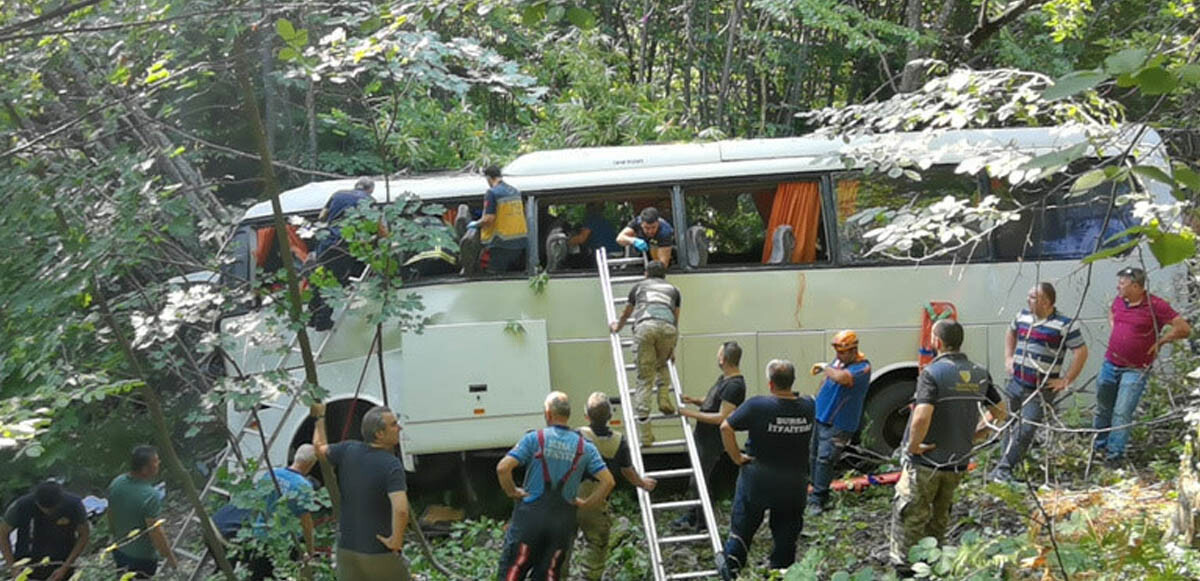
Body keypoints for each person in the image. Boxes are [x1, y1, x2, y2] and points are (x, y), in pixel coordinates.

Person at [889, 320, 1006, 572]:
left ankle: (906, 570)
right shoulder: (979, 373)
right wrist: (976, 434)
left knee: (911, 516)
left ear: (937, 342)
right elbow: (1000, 411)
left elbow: (921, 416)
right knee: (939, 518)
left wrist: (914, 445)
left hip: (926, 463)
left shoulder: (932, 373)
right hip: (957, 462)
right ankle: (934, 567)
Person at [496, 391, 615, 581]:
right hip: (561, 525)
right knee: (548, 574)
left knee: (513, 571)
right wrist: (587, 504)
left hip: (529, 521)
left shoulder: (534, 438)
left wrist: (513, 491)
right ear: (568, 415)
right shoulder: (585, 447)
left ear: (548, 414)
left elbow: (503, 468)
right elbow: (608, 481)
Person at [718, 360, 814, 579]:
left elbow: (725, 426)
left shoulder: (757, 406)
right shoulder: (809, 405)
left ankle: (731, 571)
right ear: (792, 381)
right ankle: (780, 572)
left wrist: (737, 457)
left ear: (771, 384)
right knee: (786, 535)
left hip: (759, 478)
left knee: (742, 529)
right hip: (794, 481)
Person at [990, 283, 1088, 482]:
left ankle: (1004, 469)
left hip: (1041, 390)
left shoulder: (1064, 324)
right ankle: (1004, 463)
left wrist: (1066, 379)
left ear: (1047, 301)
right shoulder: (1023, 316)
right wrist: (1009, 358)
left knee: (1026, 429)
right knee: (1009, 423)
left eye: (1033, 297)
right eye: (1029, 296)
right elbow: (1011, 332)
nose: (1028, 300)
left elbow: (1081, 351)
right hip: (1016, 383)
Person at [1094, 267, 1191, 466]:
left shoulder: (1157, 305)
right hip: (1110, 364)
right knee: (1103, 407)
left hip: (1136, 369)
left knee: (1122, 411)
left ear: (1137, 286)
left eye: (1122, 283)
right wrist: (1118, 331)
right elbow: (1112, 313)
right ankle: (1099, 448)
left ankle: (1114, 457)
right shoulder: (1120, 300)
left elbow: (1183, 328)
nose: (1118, 287)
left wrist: (1161, 341)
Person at [311, 404, 412, 581]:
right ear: (379, 434)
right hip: (378, 552)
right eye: (394, 424)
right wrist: (396, 540)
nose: (399, 428)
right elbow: (401, 509)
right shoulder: (391, 465)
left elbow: (319, 448)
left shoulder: (347, 449)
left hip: (346, 550)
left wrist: (319, 419)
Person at [576, 392, 657, 581]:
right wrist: (642, 483)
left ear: (586, 415)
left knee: (562, 544)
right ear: (610, 417)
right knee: (597, 544)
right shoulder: (619, 441)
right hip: (597, 502)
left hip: (570, 498)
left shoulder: (577, 435)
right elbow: (627, 470)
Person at [210, 444, 319, 580]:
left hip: (254, 533)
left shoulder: (272, 473)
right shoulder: (304, 487)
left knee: (247, 572)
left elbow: (258, 503)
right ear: (311, 464)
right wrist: (310, 550)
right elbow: (306, 523)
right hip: (273, 541)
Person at [675, 341, 747, 531]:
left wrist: (688, 413)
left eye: (718, 354)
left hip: (712, 441)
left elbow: (721, 417)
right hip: (702, 436)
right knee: (696, 478)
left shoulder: (735, 386)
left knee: (699, 480)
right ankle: (692, 516)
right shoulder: (724, 380)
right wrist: (693, 400)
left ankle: (703, 523)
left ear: (724, 359)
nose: (717, 357)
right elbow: (711, 403)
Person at [609, 260, 681, 445]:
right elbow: (675, 318)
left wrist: (618, 326)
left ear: (646, 273)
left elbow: (627, 311)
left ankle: (646, 435)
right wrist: (671, 348)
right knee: (662, 363)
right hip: (667, 329)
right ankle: (664, 397)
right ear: (664, 275)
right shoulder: (674, 290)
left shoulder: (639, 287)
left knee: (644, 378)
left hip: (645, 327)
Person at [807, 330, 872, 514]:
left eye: (843, 352)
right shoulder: (838, 363)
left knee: (825, 460)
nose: (839, 356)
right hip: (822, 417)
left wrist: (823, 366)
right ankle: (814, 491)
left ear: (853, 350)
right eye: (837, 352)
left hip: (839, 423)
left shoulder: (862, 367)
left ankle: (819, 500)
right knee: (814, 456)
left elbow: (841, 378)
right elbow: (827, 380)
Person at [308, 177, 375, 330]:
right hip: (344, 244)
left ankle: (312, 315)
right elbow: (372, 225)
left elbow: (321, 217)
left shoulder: (337, 194)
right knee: (338, 281)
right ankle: (322, 320)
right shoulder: (369, 201)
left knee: (321, 275)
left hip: (325, 241)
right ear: (370, 189)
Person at [108, 445, 178, 578]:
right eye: (156, 461)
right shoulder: (149, 495)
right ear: (145, 469)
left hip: (120, 549)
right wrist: (170, 557)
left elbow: (110, 513)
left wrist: (114, 535)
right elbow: (155, 532)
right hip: (141, 559)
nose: (159, 463)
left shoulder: (117, 483)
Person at [0, 481, 89, 581]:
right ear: (36, 501)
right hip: (27, 562)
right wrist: (13, 568)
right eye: (44, 509)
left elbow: (84, 535)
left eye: (52, 509)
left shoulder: (74, 505)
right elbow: (3, 534)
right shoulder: (21, 506)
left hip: (61, 562)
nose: (48, 512)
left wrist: (65, 567)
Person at [467, 166, 528, 273]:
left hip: (501, 244)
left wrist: (476, 224)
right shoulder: (515, 191)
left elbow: (489, 219)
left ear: (489, 178)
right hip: (519, 244)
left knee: (494, 276)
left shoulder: (492, 193)